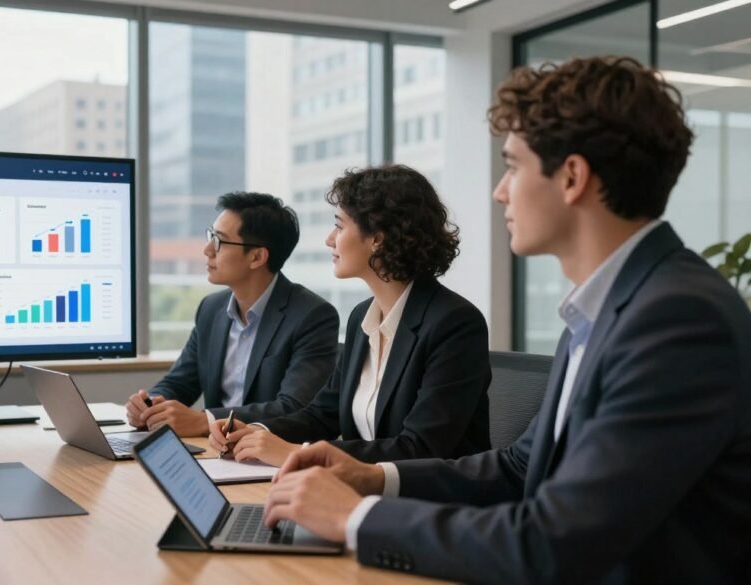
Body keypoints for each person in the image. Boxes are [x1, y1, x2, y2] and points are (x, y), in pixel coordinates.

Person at [261, 56, 751, 584]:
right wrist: (373, 477)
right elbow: (519, 467)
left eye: (513, 167)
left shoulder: (677, 319)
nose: (500, 191)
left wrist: (355, 518)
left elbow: (553, 544)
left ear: (572, 177)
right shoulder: (607, 309)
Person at [208, 165, 491, 465]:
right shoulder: (361, 318)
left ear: (377, 238)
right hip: (363, 488)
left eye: (340, 226)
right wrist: (255, 432)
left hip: (430, 493)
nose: (330, 239)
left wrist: (298, 453)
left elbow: (420, 448)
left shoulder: (454, 323)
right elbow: (323, 414)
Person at [125, 192, 339, 437]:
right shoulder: (211, 309)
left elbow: (294, 407)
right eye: (211, 236)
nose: (207, 249)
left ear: (256, 257)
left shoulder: (312, 316)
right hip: (216, 450)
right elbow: (179, 383)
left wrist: (206, 421)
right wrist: (149, 406)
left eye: (219, 241)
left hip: (269, 453)